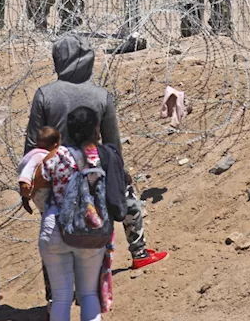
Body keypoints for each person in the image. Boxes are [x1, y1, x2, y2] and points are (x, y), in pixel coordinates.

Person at [24, 34, 166, 269]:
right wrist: (121, 176)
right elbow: (113, 143)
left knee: (53, 230)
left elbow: (33, 145)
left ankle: (56, 293)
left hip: (57, 170)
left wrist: (29, 182)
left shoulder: (44, 95)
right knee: (129, 202)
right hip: (94, 165)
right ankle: (139, 251)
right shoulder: (101, 96)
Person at [38, 106, 114, 321]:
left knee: (60, 297)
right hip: (91, 230)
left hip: (55, 228)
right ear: (96, 128)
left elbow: (40, 192)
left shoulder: (55, 157)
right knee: (88, 293)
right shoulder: (102, 156)